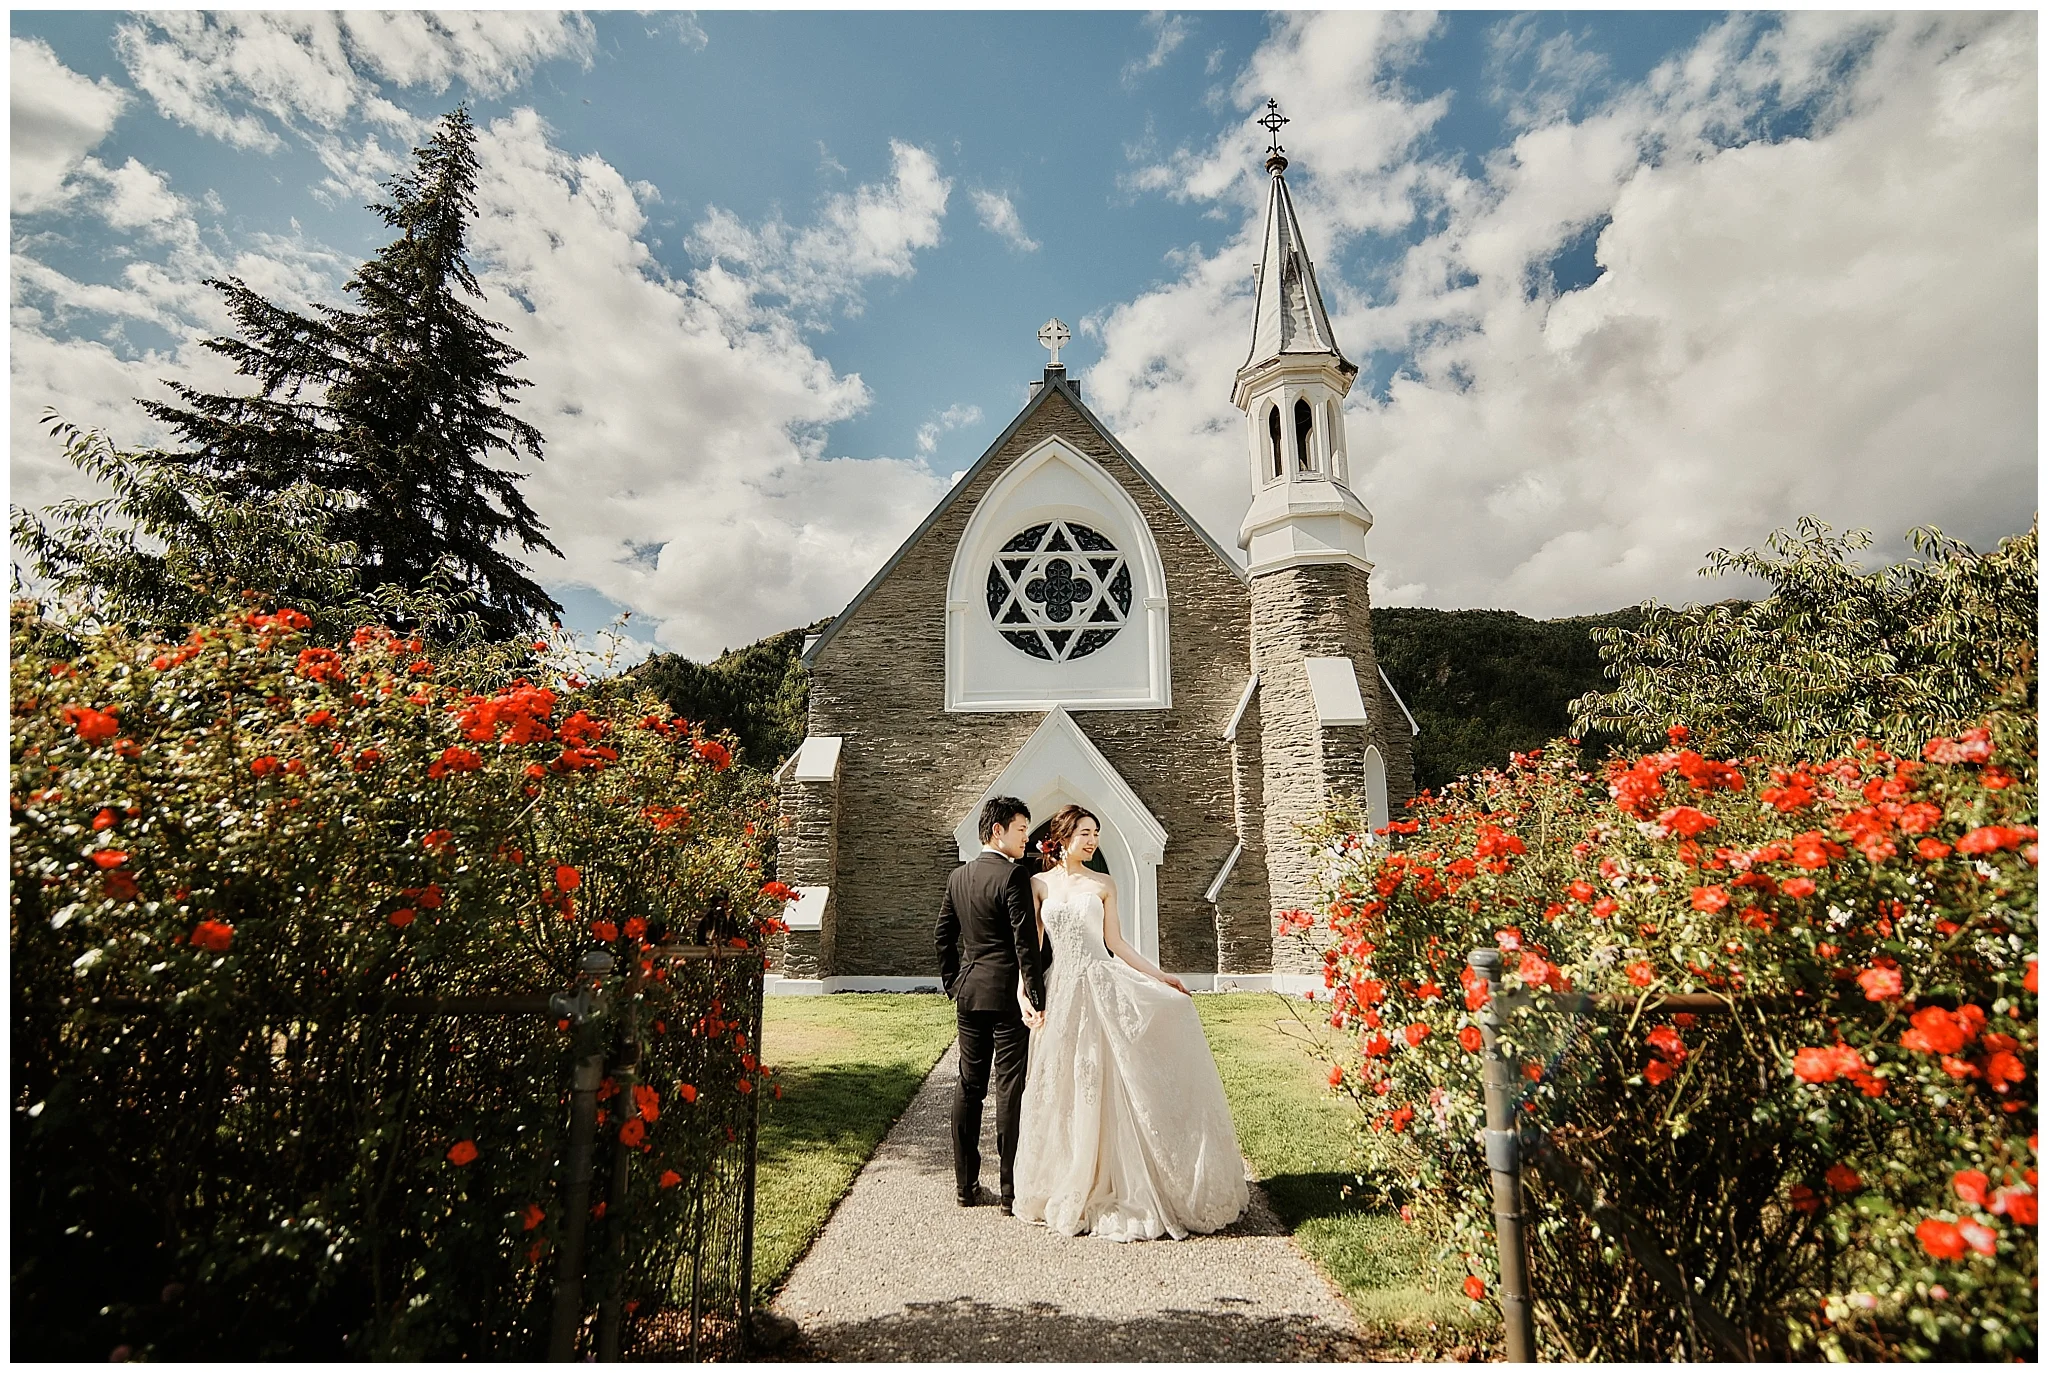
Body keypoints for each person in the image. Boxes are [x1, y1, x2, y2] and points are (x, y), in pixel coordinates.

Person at [1012, 805, 1248, 1241]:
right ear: (1062, 838)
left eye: (1096, 834)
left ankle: (1116, 1176)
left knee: (1106, 1076)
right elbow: (1032, 946)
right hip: (1060, 989)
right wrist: (1023, 992)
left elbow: (1116, 943)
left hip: (1099, 982)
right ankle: (1071, 1176)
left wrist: (1160, 976)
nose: (1092, 840)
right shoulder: (1038, 885)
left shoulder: (1104, 884)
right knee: (1066, 1081)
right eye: (1085, 833)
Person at [935, 796, 1049, 1214]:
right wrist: (1035, 996)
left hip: (970, 994)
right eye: (1021, 830)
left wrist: (954, 984)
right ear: (997, 831)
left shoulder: (958, 877)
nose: (1026, 838)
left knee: (969, 1086)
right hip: (1007, 998)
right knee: (1009, 1088)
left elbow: (942, 937)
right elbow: (1025, 943)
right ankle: (1009, 1191)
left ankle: (965, 1187)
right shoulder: (1014, 876)